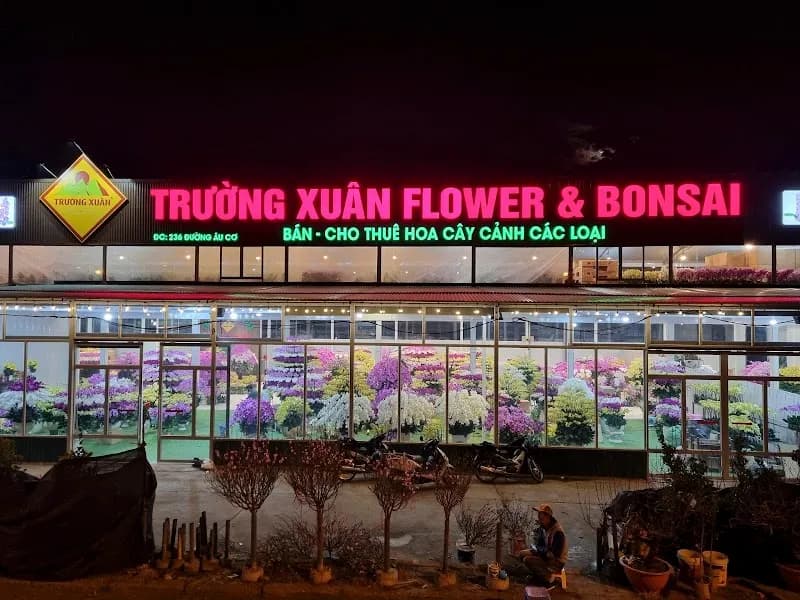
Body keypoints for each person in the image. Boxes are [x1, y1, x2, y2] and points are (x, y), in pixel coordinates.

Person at [515, 503, 568, 586]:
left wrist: (538, 551)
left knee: (527, 559)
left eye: (541, 518)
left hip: (556, 562)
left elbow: (554, 554)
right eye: (539, 517)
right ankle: (535, 574)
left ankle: (546, 579)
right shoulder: (545, 527)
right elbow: (541, 545)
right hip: (546, 554)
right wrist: (537, 548)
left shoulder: (558, 532)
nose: (539, 520)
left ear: (548, 517)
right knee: (522, 553)